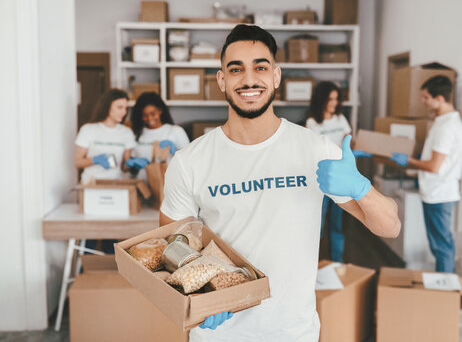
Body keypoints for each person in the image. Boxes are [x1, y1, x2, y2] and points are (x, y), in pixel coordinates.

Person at [159, 24, 400, 341]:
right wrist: (198, 296)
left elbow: (390, 227)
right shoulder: (190, 161)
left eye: (260, 66)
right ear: (221, 80)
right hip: (218, 334)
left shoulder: (316, 150)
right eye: (236, 69)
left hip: (293, 332)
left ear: (276, 76)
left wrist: (361, 188)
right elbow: (173, 247)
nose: (248, 79)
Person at [390, 75, 462, 273]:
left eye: (426, 97)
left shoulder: (447, 127)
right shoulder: (442, 122)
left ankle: (444, 292)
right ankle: (443, 289)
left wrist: (409, 161)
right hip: (436, 191)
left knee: (441, 246)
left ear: (440, 98)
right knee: (440, 245)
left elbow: (434, 166)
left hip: (439, 193)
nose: (423, 101)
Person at [305, 81, 352, 262]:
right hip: (322, 180)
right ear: (321, 100)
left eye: (336, 99)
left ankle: (336, 264)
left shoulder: (341, 119)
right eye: (330, 99)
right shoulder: (312, 122)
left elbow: (349, 142)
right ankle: (312, 264)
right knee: (318, 226)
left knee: (337, 225)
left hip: (341, 181)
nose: (334, 103)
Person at [75, 88, 136, 184]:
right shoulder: (88, 129)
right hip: (91, 184)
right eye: (119, 107)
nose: (124, 112)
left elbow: (125, 167)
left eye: (125, 108)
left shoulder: (127, 133)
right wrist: (95, 160)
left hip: (116, 184)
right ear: (107, 106)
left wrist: (133, 164)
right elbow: (77, 162)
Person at [127, 92, 190, 179]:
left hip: (166, 186)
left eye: (153, 114)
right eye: (145, 115)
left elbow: (190, 161)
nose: (149, 119)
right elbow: (131, 168)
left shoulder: (175, 131)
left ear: (160, 111)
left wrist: (176, 151)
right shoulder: (137, 134)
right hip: (142, 186)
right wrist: (133, 166)